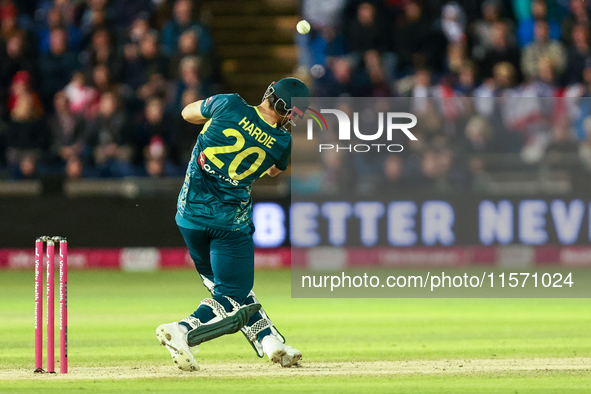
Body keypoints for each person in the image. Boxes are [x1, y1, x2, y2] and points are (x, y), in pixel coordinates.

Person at [156, 77, 310, 371]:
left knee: (230, 286)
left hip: (188, 216)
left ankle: (270, 342)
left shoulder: (229, 103)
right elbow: (275, 170)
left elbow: (187, 112)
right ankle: (183, 329)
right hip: (229, 226)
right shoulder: (282, 142)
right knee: (232, 294)